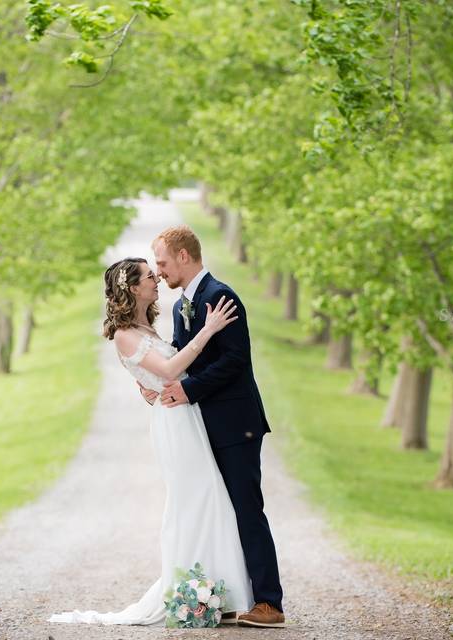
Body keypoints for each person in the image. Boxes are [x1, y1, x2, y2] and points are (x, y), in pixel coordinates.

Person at [48, 256, 254, 626]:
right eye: (148, 275)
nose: (156, 278)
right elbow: (171, 370)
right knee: (193, 500)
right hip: (174, 424)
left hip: (187, 417)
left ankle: (212, 592)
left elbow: (157, 372)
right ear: (131, 287)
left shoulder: (148, 329)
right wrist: (208, 330)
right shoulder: (125, 334)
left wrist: (147, 383)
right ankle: (190, 593)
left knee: (209, 499)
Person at [146, 225, 285, 628]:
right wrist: (157, 383)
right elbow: (182, 356)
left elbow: (235, 360)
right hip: (204, 426)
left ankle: (269, 602)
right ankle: (225, 594)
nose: (158, 271)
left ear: (184, 257)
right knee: (217, 511)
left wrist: (187, 390)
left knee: (246, 509)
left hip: (236, 423)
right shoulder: (180, 306)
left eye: (162, 262)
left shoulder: (220, 296)